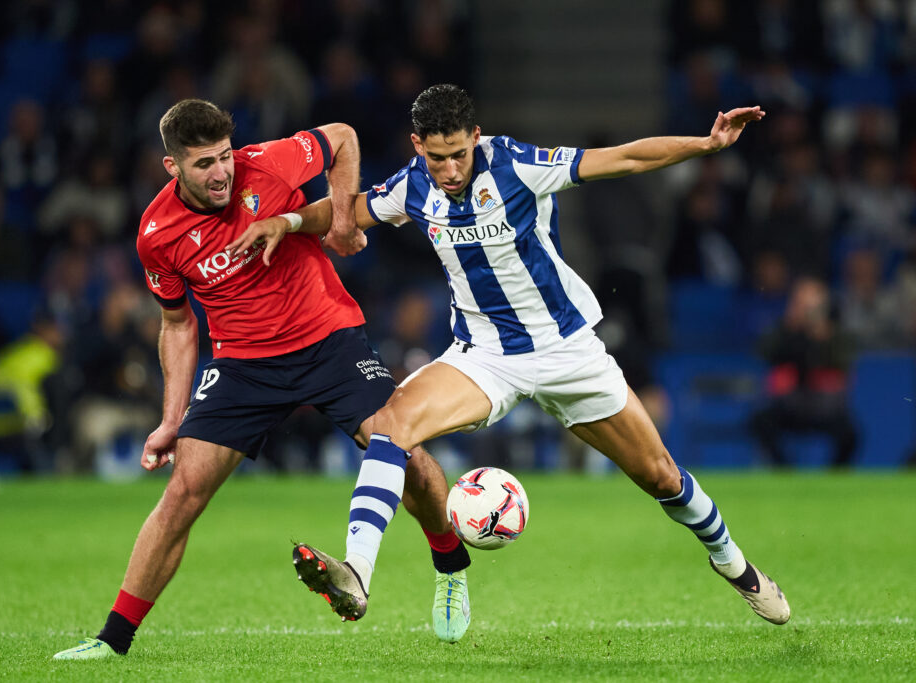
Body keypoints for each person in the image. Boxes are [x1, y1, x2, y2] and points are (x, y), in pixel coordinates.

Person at [229, 84, 791, 630]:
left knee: (661, 475)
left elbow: (622, 158)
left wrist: (706, 144)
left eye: (460, 155)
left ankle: (733, 564)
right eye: (438, 157)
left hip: (567, 350)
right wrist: (289, 220)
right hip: (485, 357)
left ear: (476, 137)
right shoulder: (413, 185)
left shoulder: (518, 164)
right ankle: (357, 572)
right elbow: (349, 209)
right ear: (417, 145)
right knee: (390, 426)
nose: (450, 170)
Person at [52, 98, 474, 660]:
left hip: (329, 340)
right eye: (204, 164)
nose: (222, 172)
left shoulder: (270, 163)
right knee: (182, 492)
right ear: (172, 167)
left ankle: (450, 566)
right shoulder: (157, 234)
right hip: (243, 366)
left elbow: (344, 135)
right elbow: (177, 325)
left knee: (405, 453)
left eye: (224, 157)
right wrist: (169, 420)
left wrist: (343, 223)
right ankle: (113, 639)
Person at [750, 276, 858, 468]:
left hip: (825, 406)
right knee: (760, 422)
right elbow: (765, 352)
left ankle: (835, 476)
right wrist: (790, 327)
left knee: (850, 433)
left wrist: (823, 337)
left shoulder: (835, 334)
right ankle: (783, 471)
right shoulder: (785, 331)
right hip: (790, 405)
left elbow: (844, 362)